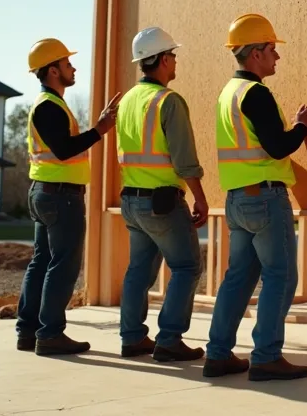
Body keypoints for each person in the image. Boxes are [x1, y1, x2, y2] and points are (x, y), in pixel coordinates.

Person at [204, 13, 307, 382]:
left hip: (237, 201)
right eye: (271, 49)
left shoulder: (227, 94)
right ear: (254, 54)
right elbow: (278, 146)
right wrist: (302, 126)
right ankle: (266, 356)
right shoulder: (256, 94)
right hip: (265, 201)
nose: (276, 57)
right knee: (280, 277)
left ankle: (218, 354)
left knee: (237, 278)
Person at [16, 37, 120, 356]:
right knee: (62, 264)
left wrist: (95, 128)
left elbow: (59, 147)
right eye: (67, 64)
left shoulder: (52, 104)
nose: (72, 68)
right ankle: (49, 334)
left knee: (43, 262)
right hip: (60, 197)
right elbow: (63, 150)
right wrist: (100, 130)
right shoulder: (49, 107)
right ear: (53, 71)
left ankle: (29, 332)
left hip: (47, 193)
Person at [115, 26, 210, 362]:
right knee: (187, 266)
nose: (175, 60)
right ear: (158, 60)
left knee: (138, 271)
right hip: (162, 202)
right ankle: (169, 340)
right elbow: (184, 159)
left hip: (130, 201)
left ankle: (131, 338)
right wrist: (199, 196)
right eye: (172, 55)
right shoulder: (168, 101)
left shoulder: (127, 100)